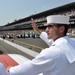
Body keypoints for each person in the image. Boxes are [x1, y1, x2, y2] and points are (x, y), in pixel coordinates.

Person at [7, 15, 75, 75]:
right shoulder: (70, 44)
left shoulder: (52, 53)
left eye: (50, 26)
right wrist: (37, 30)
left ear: (61, 29)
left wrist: (11, 69)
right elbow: (52, 42)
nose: (46, 30)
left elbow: (29, 68)